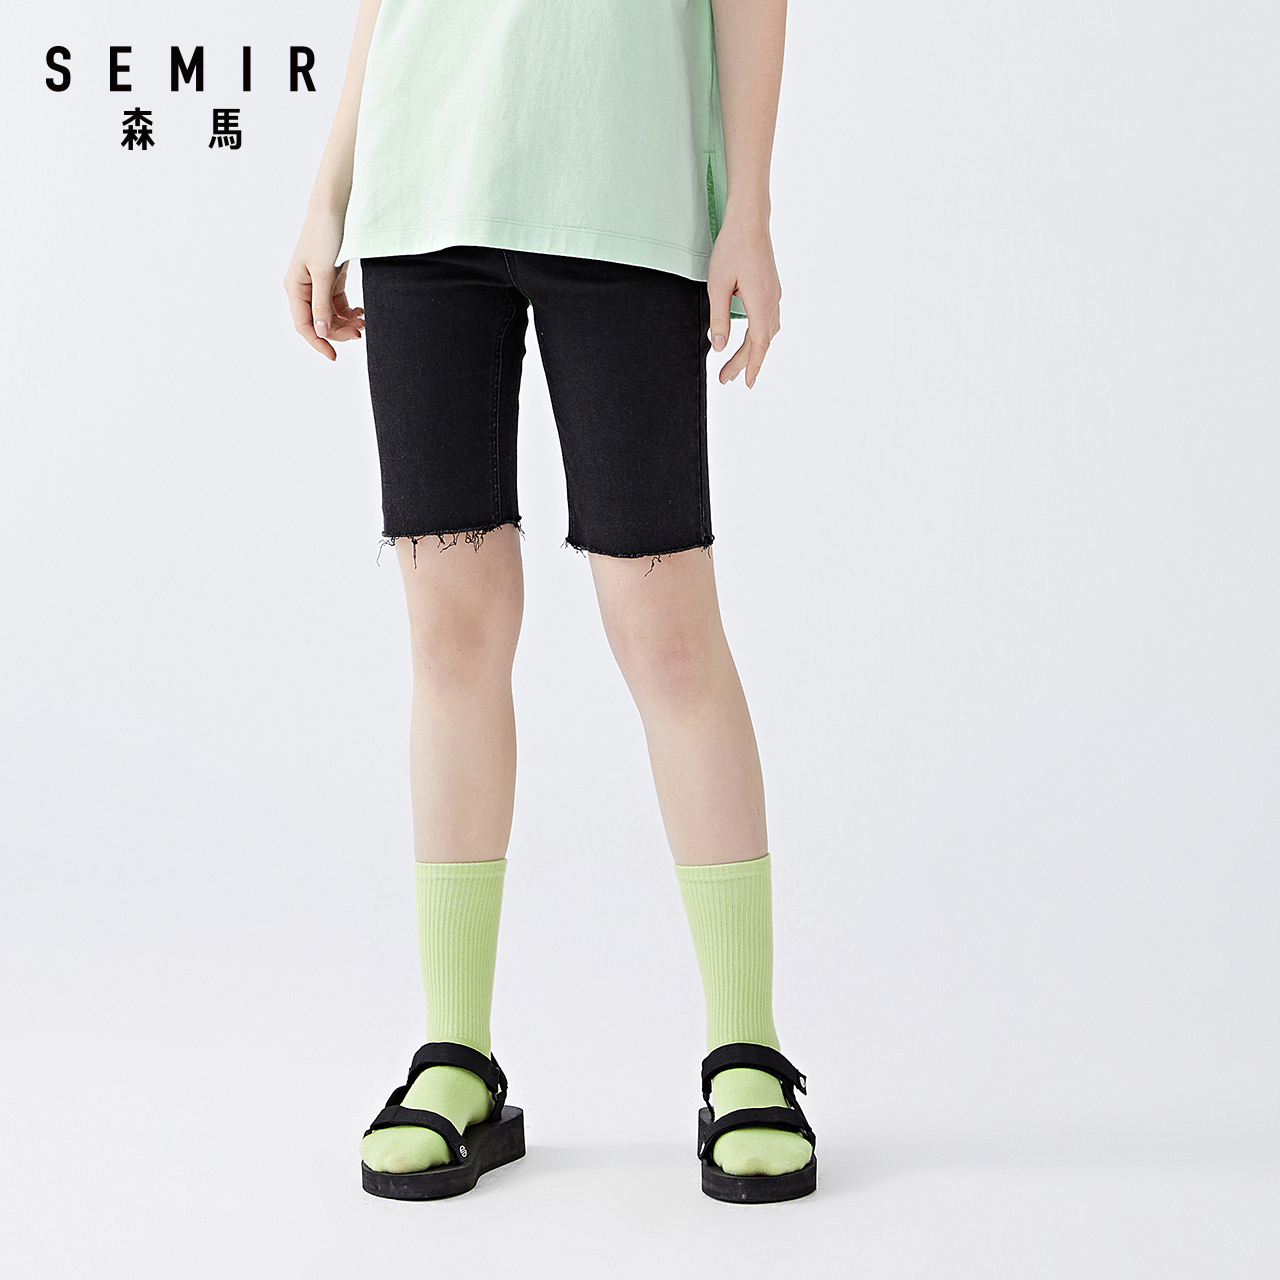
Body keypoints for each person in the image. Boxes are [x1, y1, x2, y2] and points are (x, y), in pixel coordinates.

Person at [283, 0, 816, 1204]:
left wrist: (747, 206)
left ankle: (746, 1049)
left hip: (623, 193)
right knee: (449, 631)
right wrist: (328, 193)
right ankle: (454, 1054)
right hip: (421, 195)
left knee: (666, 630)